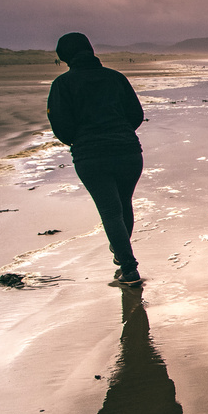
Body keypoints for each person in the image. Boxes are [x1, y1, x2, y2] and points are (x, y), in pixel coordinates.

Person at [47, 32, 146, 286]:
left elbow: (60, 125)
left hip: (91, 156)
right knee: (123, 205)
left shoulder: (63, 84)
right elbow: (136, 114)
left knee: (110, 211)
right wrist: (120, 133)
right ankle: (122, 254)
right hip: (128, 151)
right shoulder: (116, 78)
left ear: (64, 56)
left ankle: (129, 268)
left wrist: (78, 141)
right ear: (90, 50)